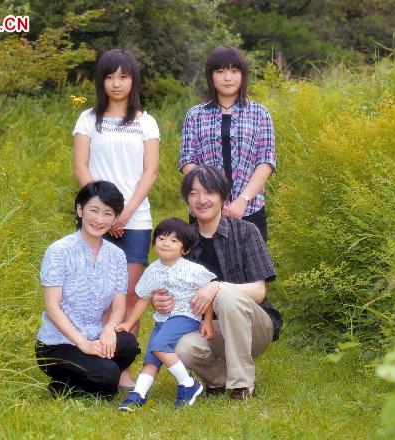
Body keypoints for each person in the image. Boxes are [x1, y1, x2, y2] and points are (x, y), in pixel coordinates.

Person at [153, 166, 280, 400]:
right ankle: (218, 379)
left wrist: (217, 286)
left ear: (223, 196)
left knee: (226, 295)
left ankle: (242, 385)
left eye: (210, 192)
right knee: (182, 346)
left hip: (255, 327)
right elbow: (171, 290)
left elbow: (259, 292)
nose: (202, 200)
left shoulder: (247, 232)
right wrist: (160, 300)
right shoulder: (182, 242)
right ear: (187, 200)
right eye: (194, 193)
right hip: (211, 329)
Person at [73, 48, 160, 389]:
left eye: (123, 76)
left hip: (135, 220)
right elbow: (81, 166)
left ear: (133, 80)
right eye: (110, 77)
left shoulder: (145, 122)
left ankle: (122, 367)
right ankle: (91, 360)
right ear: (101, 81)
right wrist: (103, 212)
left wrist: (123, 213)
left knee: (128, 296)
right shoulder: (87, 119)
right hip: (97, 219)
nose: (117, 83)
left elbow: (150, 173)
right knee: (94, 293)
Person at [35, 181, 140, 400]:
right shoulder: (59, 251)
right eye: (94, 210)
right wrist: (83, 344)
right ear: (80, 209)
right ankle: (70, 382)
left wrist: (110, 329)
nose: (99, 219)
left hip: (96, 335)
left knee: (128, 345)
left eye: (108, 213)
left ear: (115, 218)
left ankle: (76, 382)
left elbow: (119, 305)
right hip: (58, 344)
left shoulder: (117, 256)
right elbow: (52, 306)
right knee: (109, 375)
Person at [115, 218, 217, 411]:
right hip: (163, 321)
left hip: (187, 316)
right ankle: (138, 395)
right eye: (161, 238)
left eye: (173, 241)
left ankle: (188, 384)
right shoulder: (152, 270)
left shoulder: (193, 270)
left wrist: (208, 321)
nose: (166, 243)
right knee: (151, 357)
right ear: (154, 243)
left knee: (159, 345)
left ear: (184, 249)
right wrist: (128, 324)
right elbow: (143, 299)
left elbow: (208, 295)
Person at [179, 45, 276, 241]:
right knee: (205, 271)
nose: (227, 78)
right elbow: (187, 161)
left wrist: (242, 200)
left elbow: (265, 162)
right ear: (211, 76)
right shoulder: (195, 115)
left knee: (252, 271)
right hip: (204, 210)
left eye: (234, 71)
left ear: (243, 75)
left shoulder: (259, 114)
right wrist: (211, 198)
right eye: (220, 71)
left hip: (250, 209)